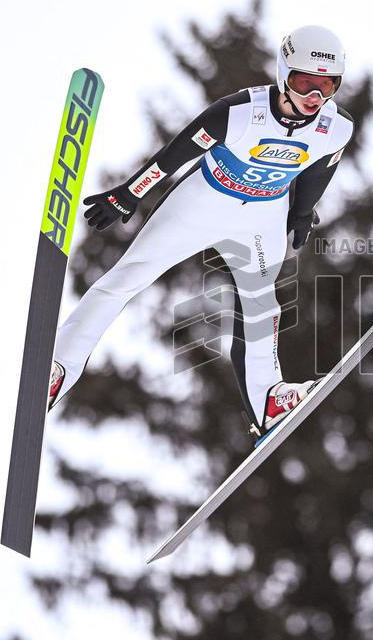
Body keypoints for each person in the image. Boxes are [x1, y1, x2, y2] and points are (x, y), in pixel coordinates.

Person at [47, 25, 354, 442]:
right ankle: (59, 368)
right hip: (203, 204)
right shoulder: (240, 112)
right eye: (305, 83)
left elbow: (321, 169)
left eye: (327, 87)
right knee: (126, 278)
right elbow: (177, 152)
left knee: (263, 305)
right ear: (284, 74)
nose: (314, 98)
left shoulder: (336, 127)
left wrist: (301, 215)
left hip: (261, 219)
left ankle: (268, 399)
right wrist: (128, 193)